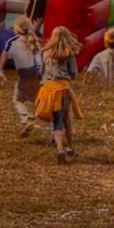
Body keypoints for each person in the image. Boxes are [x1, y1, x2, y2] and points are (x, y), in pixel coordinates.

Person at [34, 26, 84, 164]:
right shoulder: (69, 54)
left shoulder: (45, 53)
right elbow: (74, 73)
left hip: (48, 89)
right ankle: (69, 148)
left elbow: (41, 72)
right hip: (62, 90)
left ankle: (60, 148)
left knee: (56, 121)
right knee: (65, 120)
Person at [0, 15, 43, 134]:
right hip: (38, 73)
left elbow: (4, 54)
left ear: (16, 29)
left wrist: (0, 70)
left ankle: (26, 118)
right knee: (38, 100)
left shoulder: (12, 41)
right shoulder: (35, 40)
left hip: (24, 74)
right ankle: (55, 124)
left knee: (18, 100)